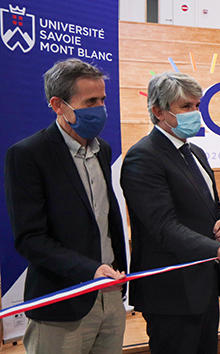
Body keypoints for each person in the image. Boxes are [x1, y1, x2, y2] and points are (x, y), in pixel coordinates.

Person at [121, 72, 220, 354]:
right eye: (186, 107)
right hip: (170, 291)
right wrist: (219, 251)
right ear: (159, 111)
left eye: (197, 106)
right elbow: (163, 226)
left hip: (203, 286)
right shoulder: (143, 156)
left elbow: (212, 205)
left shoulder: (195, 152)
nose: (195, 113)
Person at [5, 58, 127, 354]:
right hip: (62, 302)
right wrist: (90, 269)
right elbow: (30, 239)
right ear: (58, 105)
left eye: (103, 100)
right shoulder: (28, 155)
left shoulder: (103, 149)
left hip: (110, 297)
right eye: (90, 102)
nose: (100, 109)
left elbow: (106, 218)